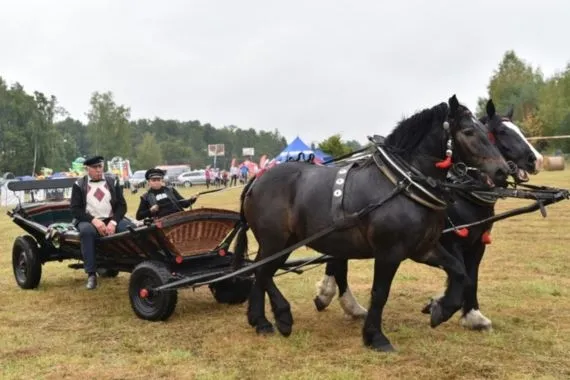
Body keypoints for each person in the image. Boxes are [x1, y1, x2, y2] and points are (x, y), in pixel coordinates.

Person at [70, 155, 131, 290]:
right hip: (88, 220)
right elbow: (75, 210)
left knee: (131, 229)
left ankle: (138, 266)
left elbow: (122, 206)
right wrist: (94, 221)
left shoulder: (112, 181)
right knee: (87, 232)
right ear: (87, 169)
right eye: (95, 167)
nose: (98, 170)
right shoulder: (79, 185)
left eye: (100, 166)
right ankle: (91, 274)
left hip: (111, 219)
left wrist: (114, 222)